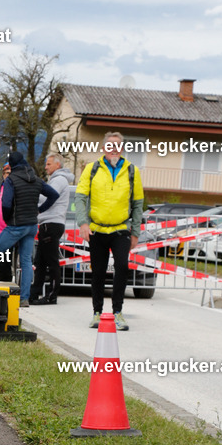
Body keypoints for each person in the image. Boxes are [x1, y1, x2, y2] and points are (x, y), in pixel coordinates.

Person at [0, 151, 59, 306]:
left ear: (12, 165)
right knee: (26, 261)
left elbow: (6, 203)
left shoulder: (11, 180)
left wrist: (7, 218)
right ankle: (24, 298)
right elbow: (54, 195)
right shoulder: (36, 179)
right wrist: (39, 210)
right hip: (31, 226)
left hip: (16, 225)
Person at [75, 131, 144, 331]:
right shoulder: (92, 168)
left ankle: (117, 313)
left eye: (117, 145)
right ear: (104, 148)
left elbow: (138, 203)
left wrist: (135, 232)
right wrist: (83, 223)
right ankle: (97, 312)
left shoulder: (132, 171)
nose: (114, 149)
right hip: (97, 230)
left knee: (122, 267)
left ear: (122, 149)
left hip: (121, 230)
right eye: (110, 145)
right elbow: (80, 197)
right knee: (98, 271)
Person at [29, 152, 74, 305]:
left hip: (51, 224)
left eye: (48, 164)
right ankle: (34, 293)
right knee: (40, 261)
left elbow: (46, 196)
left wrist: (33, 195)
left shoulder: (59, 179)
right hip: (48, 224)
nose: (45, 167)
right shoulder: (56, 179)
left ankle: (52, 295)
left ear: (57, 165)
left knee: (51, 261)